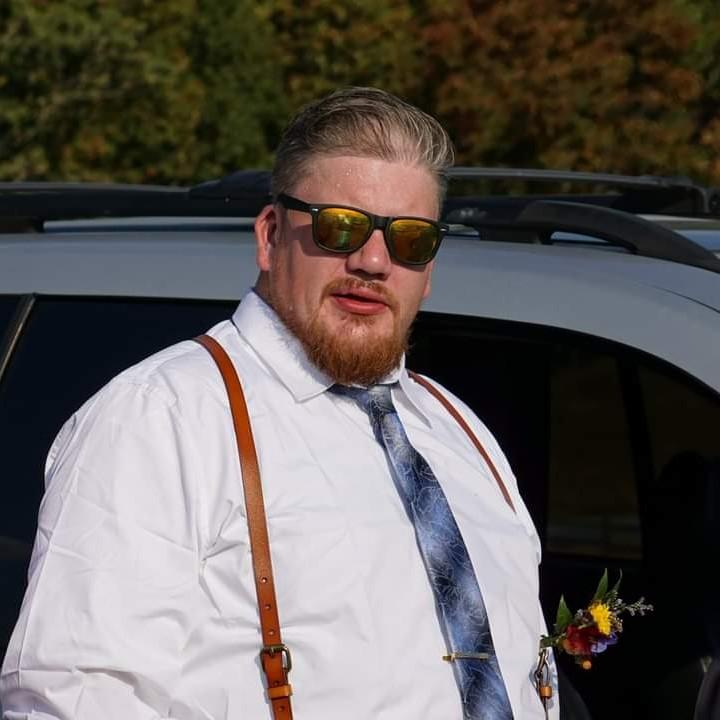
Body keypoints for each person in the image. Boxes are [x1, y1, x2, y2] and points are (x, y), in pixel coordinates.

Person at [0, 87, 558, 719]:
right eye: (339, 227)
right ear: (269, 236)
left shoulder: (461, 431)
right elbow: (72, 701)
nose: (374, 261)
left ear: (429, 268)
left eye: (410, 239)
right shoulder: (163, 418)